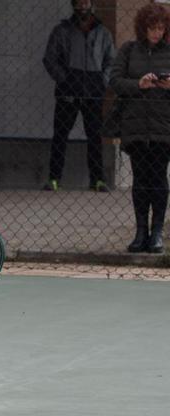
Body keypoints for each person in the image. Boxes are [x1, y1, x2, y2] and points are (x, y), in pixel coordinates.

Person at [109, 4, 170, 254]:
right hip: (135, 126)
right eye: (152, 28)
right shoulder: (128, 50)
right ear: (142, 28)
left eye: (160, 28)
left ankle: (157, 233)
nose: (156, 33)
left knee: (159, 179)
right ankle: (140, 231)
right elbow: (114, 80)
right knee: (140, 180)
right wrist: (139, 84)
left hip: (163, 126)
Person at [42, 0, 115, 192]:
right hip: (68, 93)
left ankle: (97, 180)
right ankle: (54, 178)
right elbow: (49, 59)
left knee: (95, 137)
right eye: (79, 2)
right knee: (60, 135)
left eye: (86, 2)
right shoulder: (62, 30)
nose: (83, 6)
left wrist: (102, 82)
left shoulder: (103, 33)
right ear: (73, 5)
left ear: (92, 5)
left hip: (93, 93)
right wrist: (64, 79)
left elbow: (111, 61)